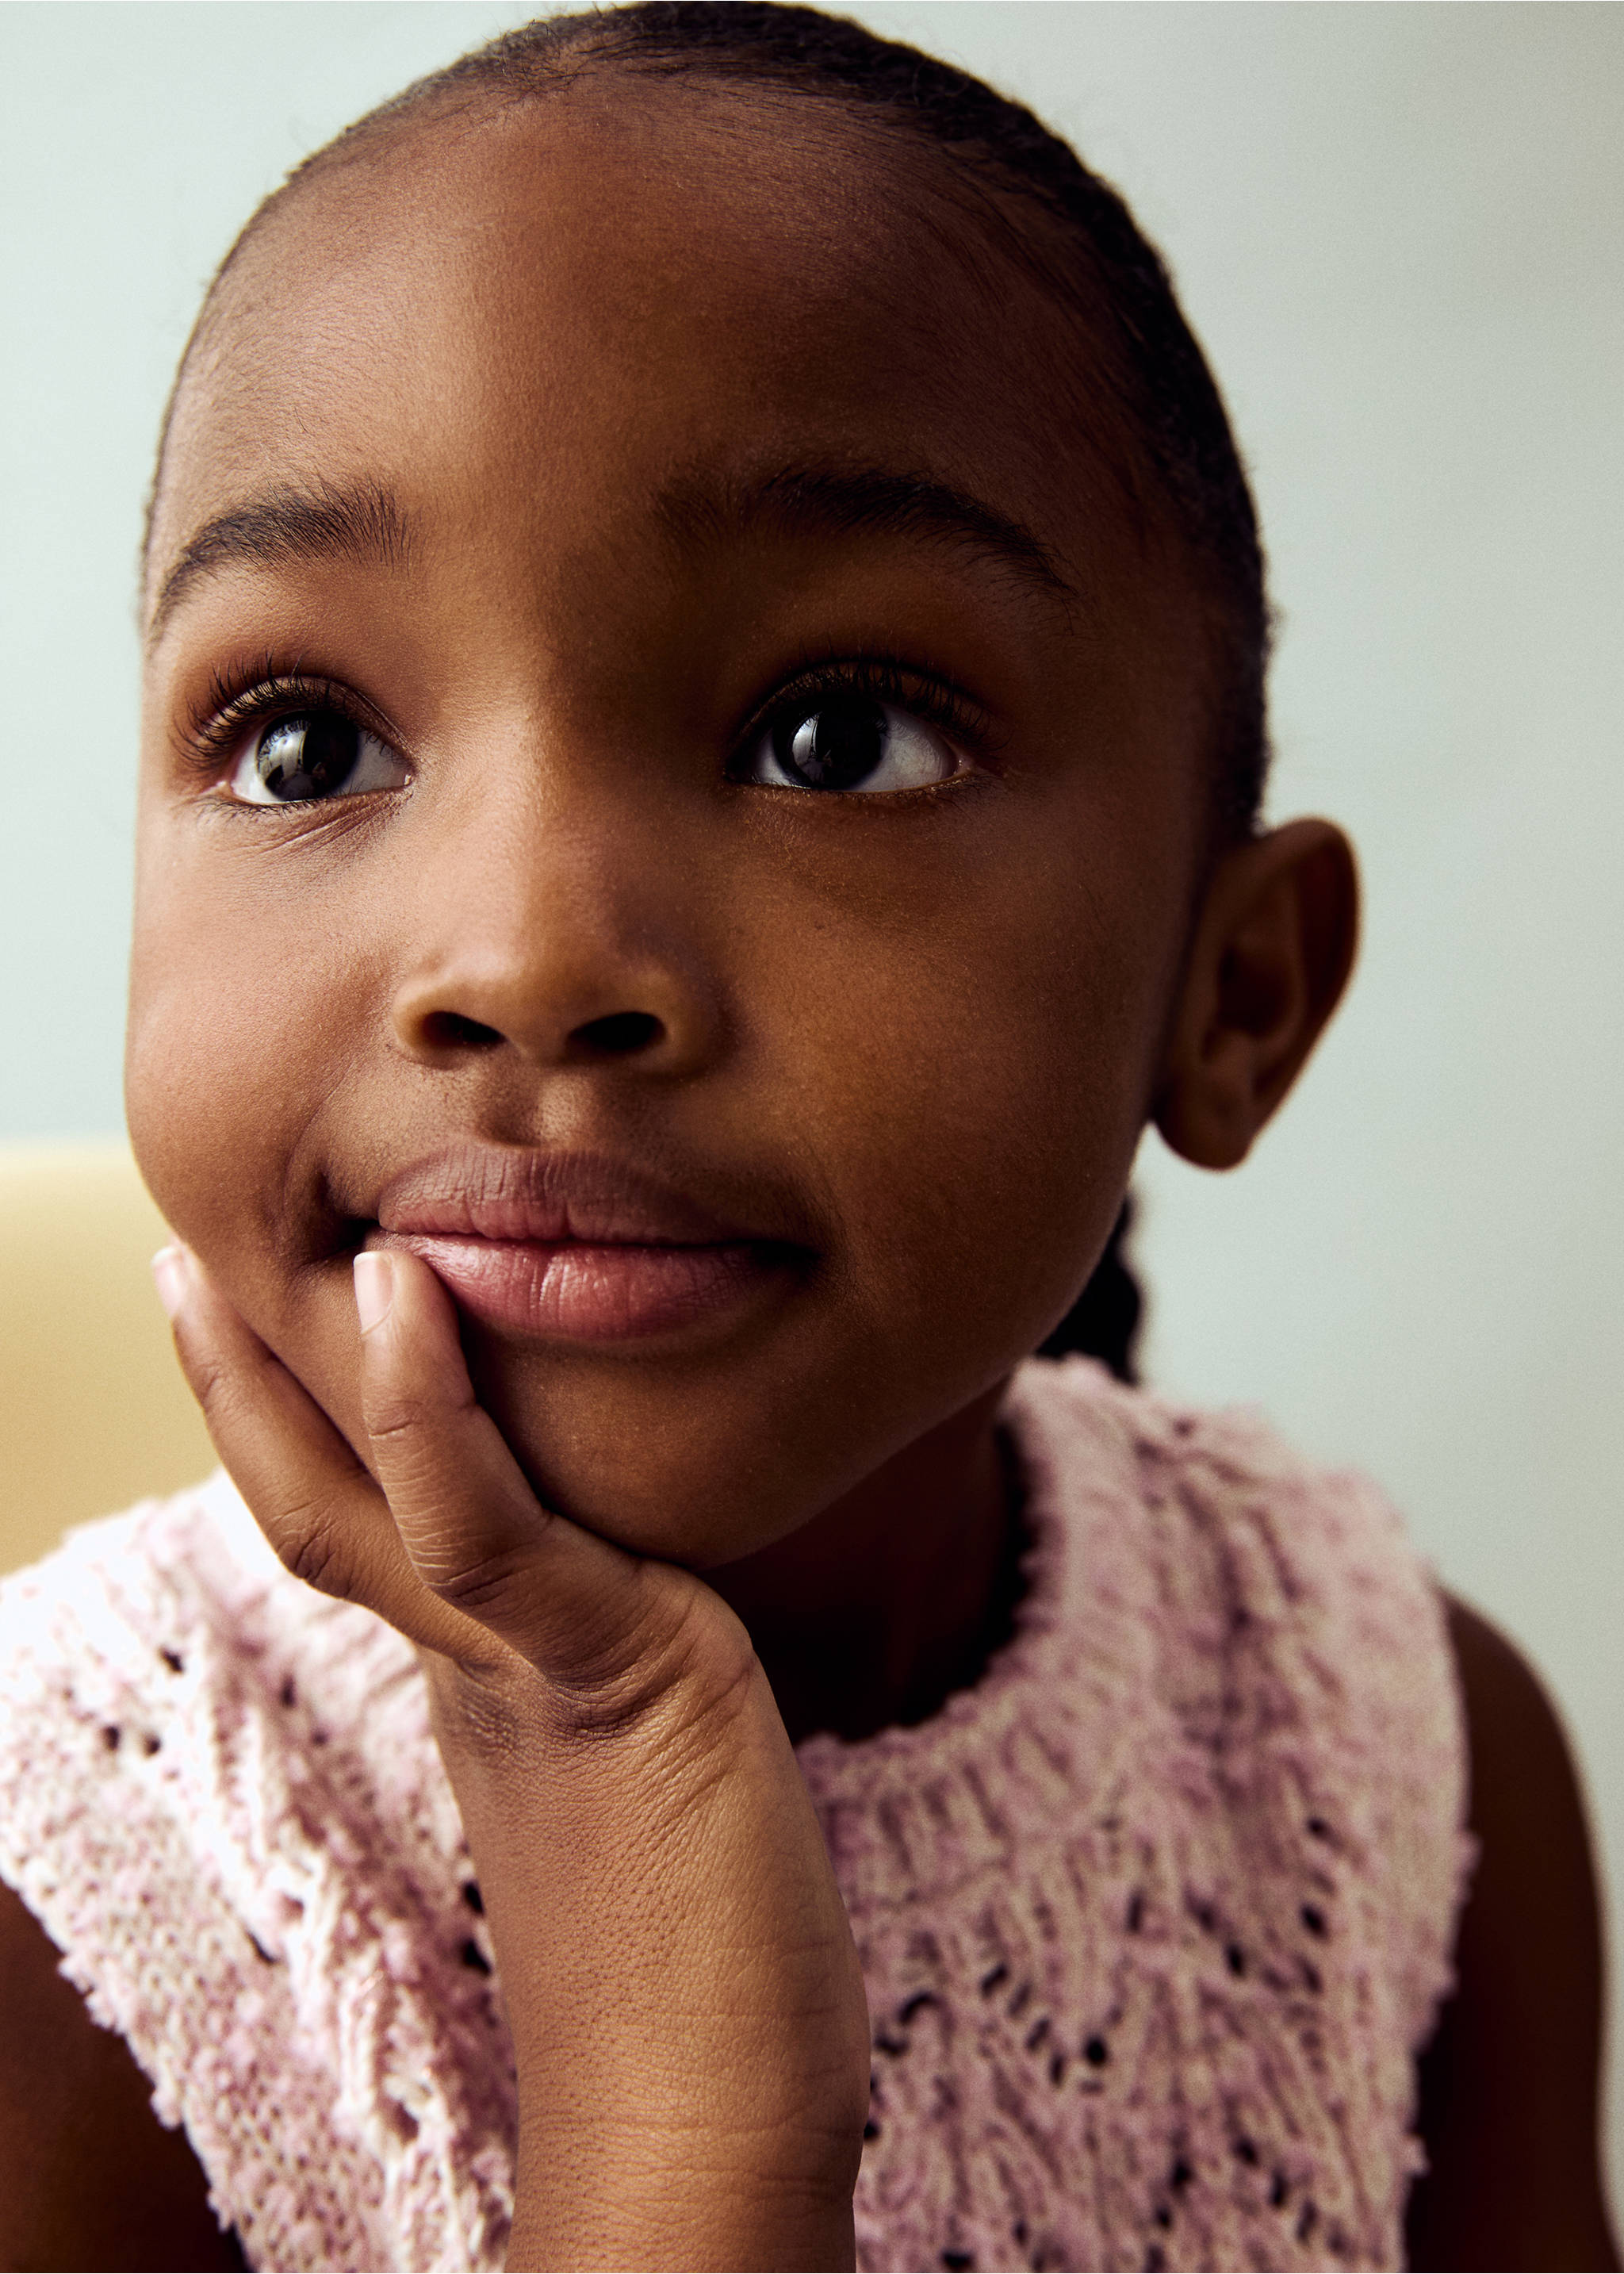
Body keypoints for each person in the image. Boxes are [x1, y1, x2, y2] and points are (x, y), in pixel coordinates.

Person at [0, 6, 1613, 2268]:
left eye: (835, 735)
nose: (526, 952)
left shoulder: (1395, 1766)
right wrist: (686, 2109)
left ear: (1230, 996)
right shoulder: (69, 1930)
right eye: (307, 747)